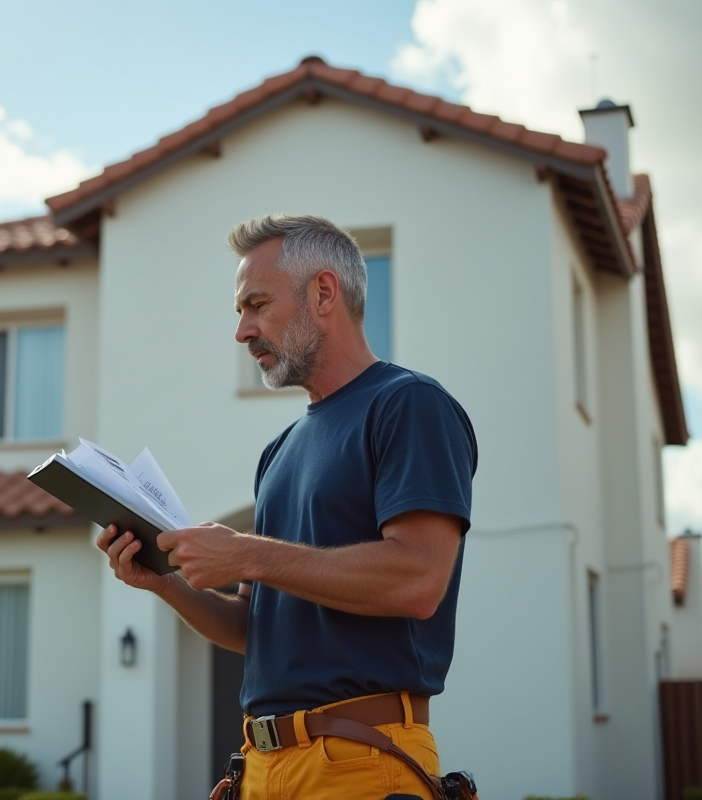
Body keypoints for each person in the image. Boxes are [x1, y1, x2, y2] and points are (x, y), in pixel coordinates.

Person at [96, 214, 477, 800]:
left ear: (324, 293)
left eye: (256, 304)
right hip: (261, 767)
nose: (243, 331)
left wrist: (247, 553)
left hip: (359, 759)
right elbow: (253, 630)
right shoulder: (278, 452)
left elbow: (419, 578)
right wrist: (165, 584)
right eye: (239, 312)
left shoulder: (409, 405)